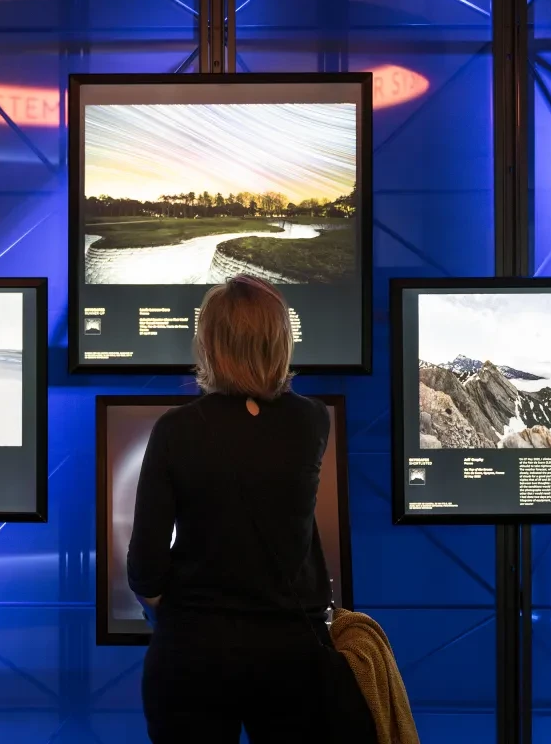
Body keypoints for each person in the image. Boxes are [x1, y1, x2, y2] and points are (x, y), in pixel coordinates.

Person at [127, 274, 374, 743]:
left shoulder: (176, 430)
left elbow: (145, 566)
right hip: (290, 655)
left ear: (209, 342)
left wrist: (168, 614)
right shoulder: (311, 420)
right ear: (280, 340)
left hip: (192, 653)